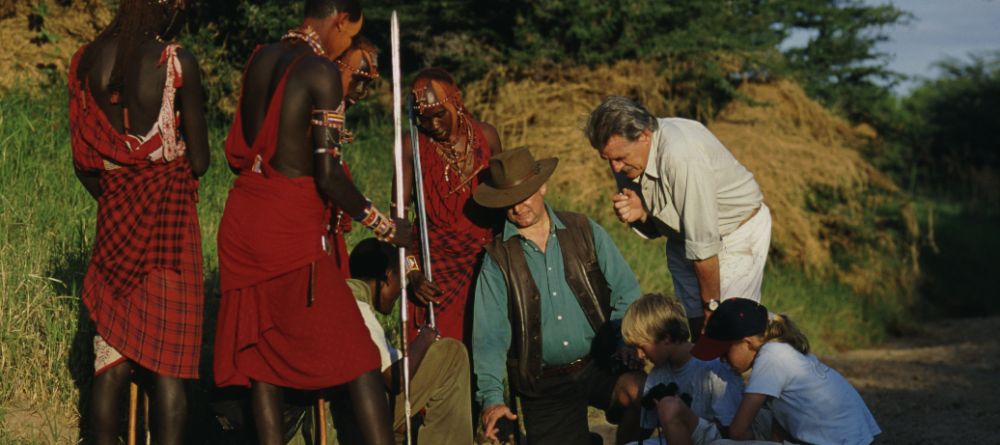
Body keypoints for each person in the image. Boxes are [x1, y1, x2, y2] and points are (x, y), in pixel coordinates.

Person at [212, 2, 408, 444]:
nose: (346, 46)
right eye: (350, 35)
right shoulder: (320, 71)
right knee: (359, 354)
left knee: (263, 359)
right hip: (288, 228)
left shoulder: (261, 56)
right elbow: (328, 174)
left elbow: (244, 152)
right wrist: (385, 226)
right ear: (340, 20)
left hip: (244, 219)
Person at [68, 1, 208, 443]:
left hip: (114, 224)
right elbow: (200, 162)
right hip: (169, 225)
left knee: (110, 360)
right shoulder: (175, 61)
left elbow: (83, 162)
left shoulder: (88, 60)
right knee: (169, 365)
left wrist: (120, 201)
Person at [472, 148, 646, 444]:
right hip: (544, 383)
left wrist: (623, 342)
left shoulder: (583, 229)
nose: (518, 207)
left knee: (643, 394)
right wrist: (492, 399)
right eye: (509, 201)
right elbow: (490, 336)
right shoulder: (497, 259)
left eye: (524, 196)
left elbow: (627, 291)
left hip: (600, 362)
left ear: (542, 187)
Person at [585, 96, 772, 338]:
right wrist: (641, 215)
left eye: (620, 158)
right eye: (607, 160)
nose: (615, 168)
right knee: (698, 329)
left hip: (735, 233)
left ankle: (776, 347)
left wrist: (712, 307)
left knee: (729, 330)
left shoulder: (681, 155)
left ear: (644, 135)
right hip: (682, 239)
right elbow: (660, 228)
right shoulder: (627, 158)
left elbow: (703, 246)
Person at [323, 238, 473, 444]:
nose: (400, 292)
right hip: (361, 413)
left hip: (355, 408)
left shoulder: (344, 301)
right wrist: (424, 338)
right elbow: (395, 379)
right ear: (387, 276)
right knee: (452, 354)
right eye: (400, 282)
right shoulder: (357, 308)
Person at [398, 67, 504, 342]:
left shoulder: (487, 137)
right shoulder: (412, 145)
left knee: (481, 347)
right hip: (434, 269)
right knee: (433, 353)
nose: (433, 125)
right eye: (424, 119)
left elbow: (504, 200)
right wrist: (412, 272)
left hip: (483, 263)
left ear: (456, 102)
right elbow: (398, 219)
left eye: (439, 114)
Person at [690, 298, 881, 445]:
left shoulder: (771, 358)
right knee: (757, 414)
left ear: (747, 343)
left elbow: (737, 432)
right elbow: (779, 421)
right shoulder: (783, 350)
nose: (721, 360)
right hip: (856, 439)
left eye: (724, 352)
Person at [620, 293, 744, 445]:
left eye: (642, 347)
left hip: (716, 441)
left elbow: (732, 430)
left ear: (666, 338)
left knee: (671, 408)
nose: (640, 355)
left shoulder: (713, 367)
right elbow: (647, 427)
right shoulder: (658, 373)